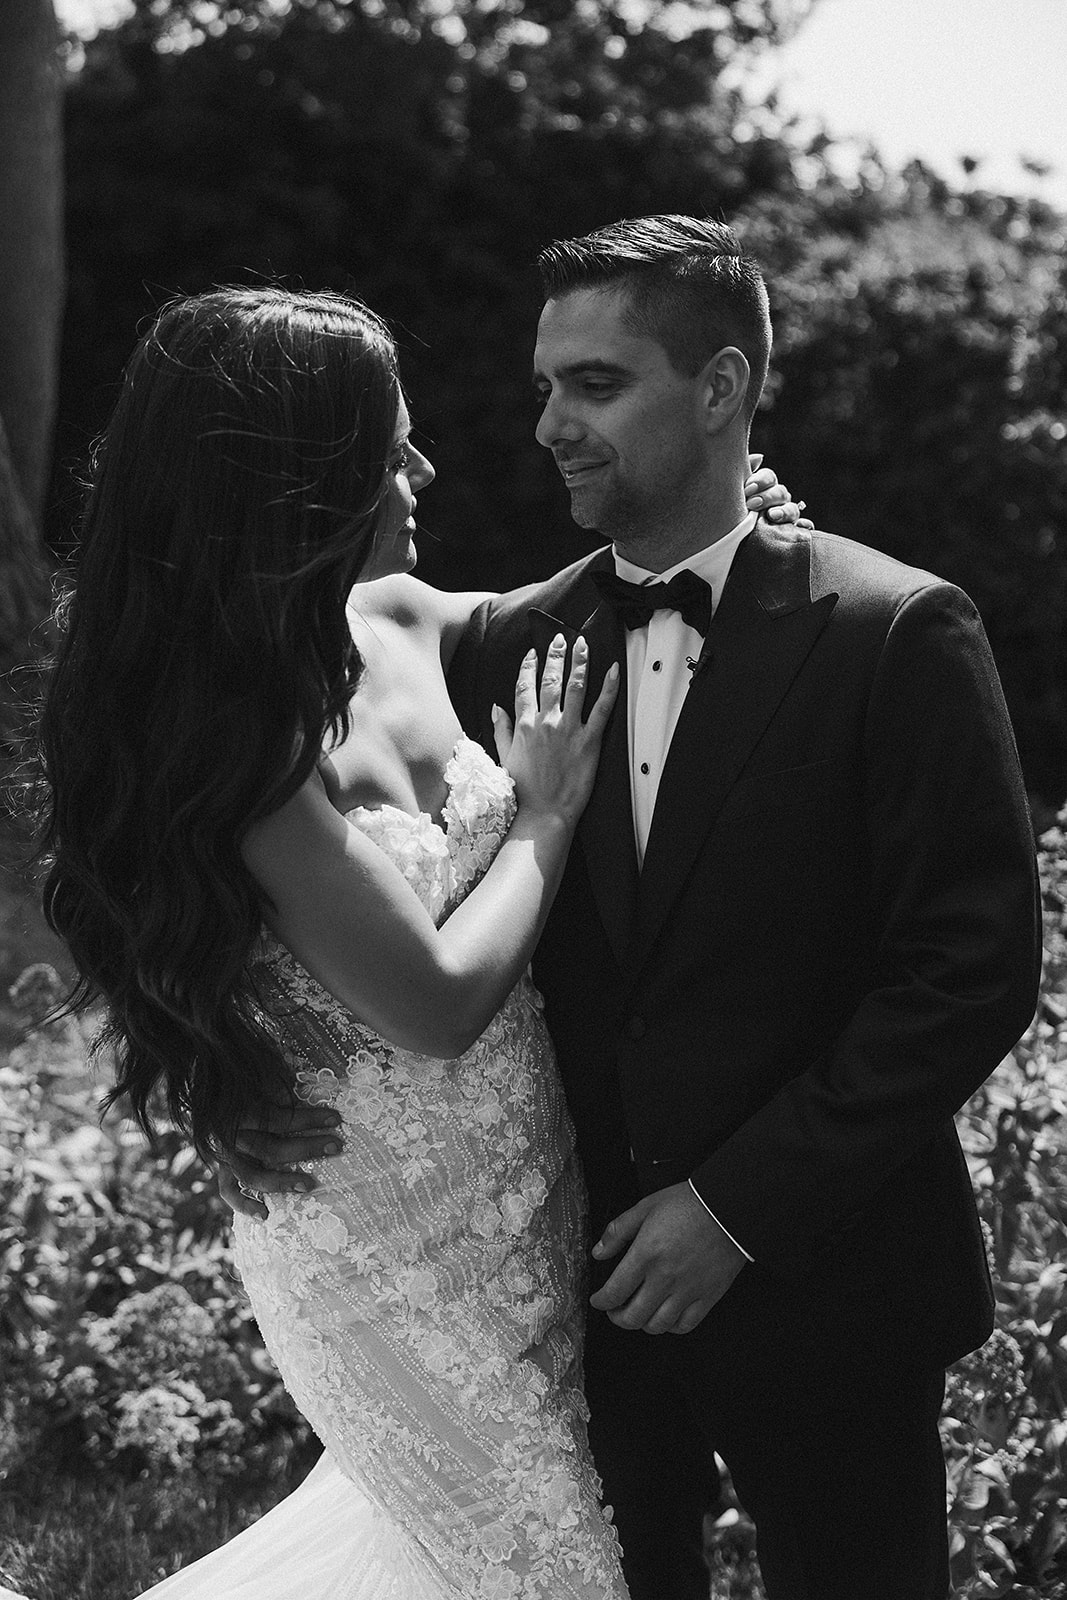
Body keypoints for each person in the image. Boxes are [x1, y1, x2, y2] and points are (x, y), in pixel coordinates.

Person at [235, 216, 1041, 1600]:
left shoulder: (896, 631)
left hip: (834, 1284)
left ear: (721, 389)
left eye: (596, 385)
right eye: (547, 384)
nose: (548, 423)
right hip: (575, 1303)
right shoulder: (503, 642)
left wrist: (734, 1211)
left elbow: (969, 973)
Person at [35, 281, 799, 1600]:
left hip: (518, 1208)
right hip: (376, 1244)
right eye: (391, 447)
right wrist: (543, 821)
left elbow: (595, 598)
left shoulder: (392, 621)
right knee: (541, 1567)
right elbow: (437, 1002)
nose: (422, 468)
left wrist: (734, 528)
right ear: (300, 481)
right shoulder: (245, 741)